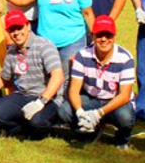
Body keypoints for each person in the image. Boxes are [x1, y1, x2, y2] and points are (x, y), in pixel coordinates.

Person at [0, 10, 64, 139]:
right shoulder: (12, 51)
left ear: (28, 26)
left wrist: (40, 102)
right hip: (23, 95)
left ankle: (39, 127)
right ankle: (18, 129)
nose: (16, 33)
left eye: (19, 28)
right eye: (12, 30)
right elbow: (3, 77)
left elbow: (58, 76)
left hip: (48, 98)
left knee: (36, 122)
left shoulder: (45, 45)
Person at [58, 15, 136, 148]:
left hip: (116, 101)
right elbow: (74, 90)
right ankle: (89, 131)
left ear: (114, 36)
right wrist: (80, 113)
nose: (104, 39)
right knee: (65, 111)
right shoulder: (82, 55)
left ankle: (122, 139)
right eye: (99, 35)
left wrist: (98, 114)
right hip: (92, 99)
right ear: (92, 36)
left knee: (125, 117)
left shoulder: (126, 58)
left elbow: (124, 96)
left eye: (108, 35)